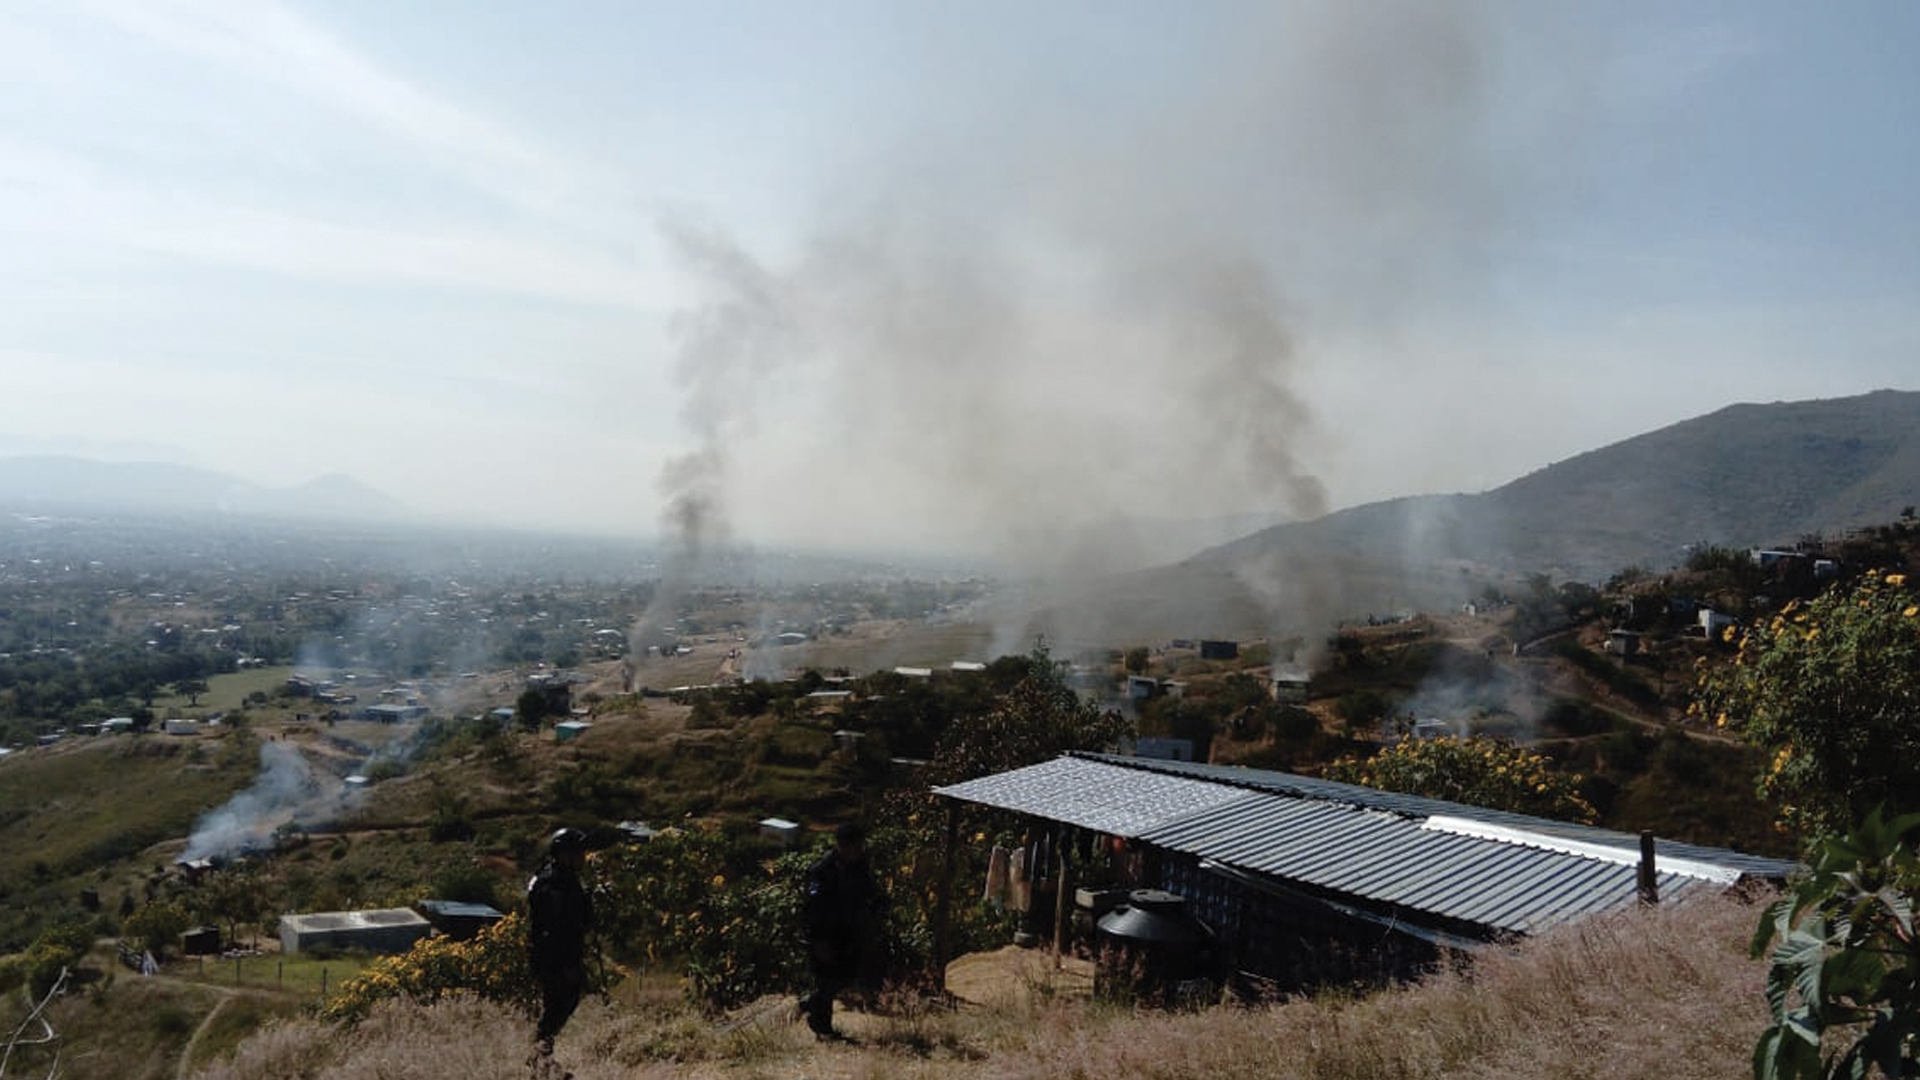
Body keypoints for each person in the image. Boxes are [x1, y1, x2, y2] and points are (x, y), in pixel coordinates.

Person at [799, 821, 881, 1041]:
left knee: (845, 976)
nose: (857, 850)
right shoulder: (822, 871)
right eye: (854, 846)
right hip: (824, 935)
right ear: (842, 846)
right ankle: (822, 1027)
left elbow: (870, 892)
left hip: (849, 934)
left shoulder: (860, 868)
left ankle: (811, 1005)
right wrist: (818, 941)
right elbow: (813, 909)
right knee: (826, 979)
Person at [527, 827, 595, 1056]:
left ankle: (541, 1055)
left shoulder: (562, 879)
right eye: (578, 853)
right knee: (557, 1006)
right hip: (554, 957)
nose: (583, 857)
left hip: (556, 955)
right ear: (564, 855)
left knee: (561, 1004)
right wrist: (566, 963)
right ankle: (539, 1056)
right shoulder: (554, 884)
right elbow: (557, 928)